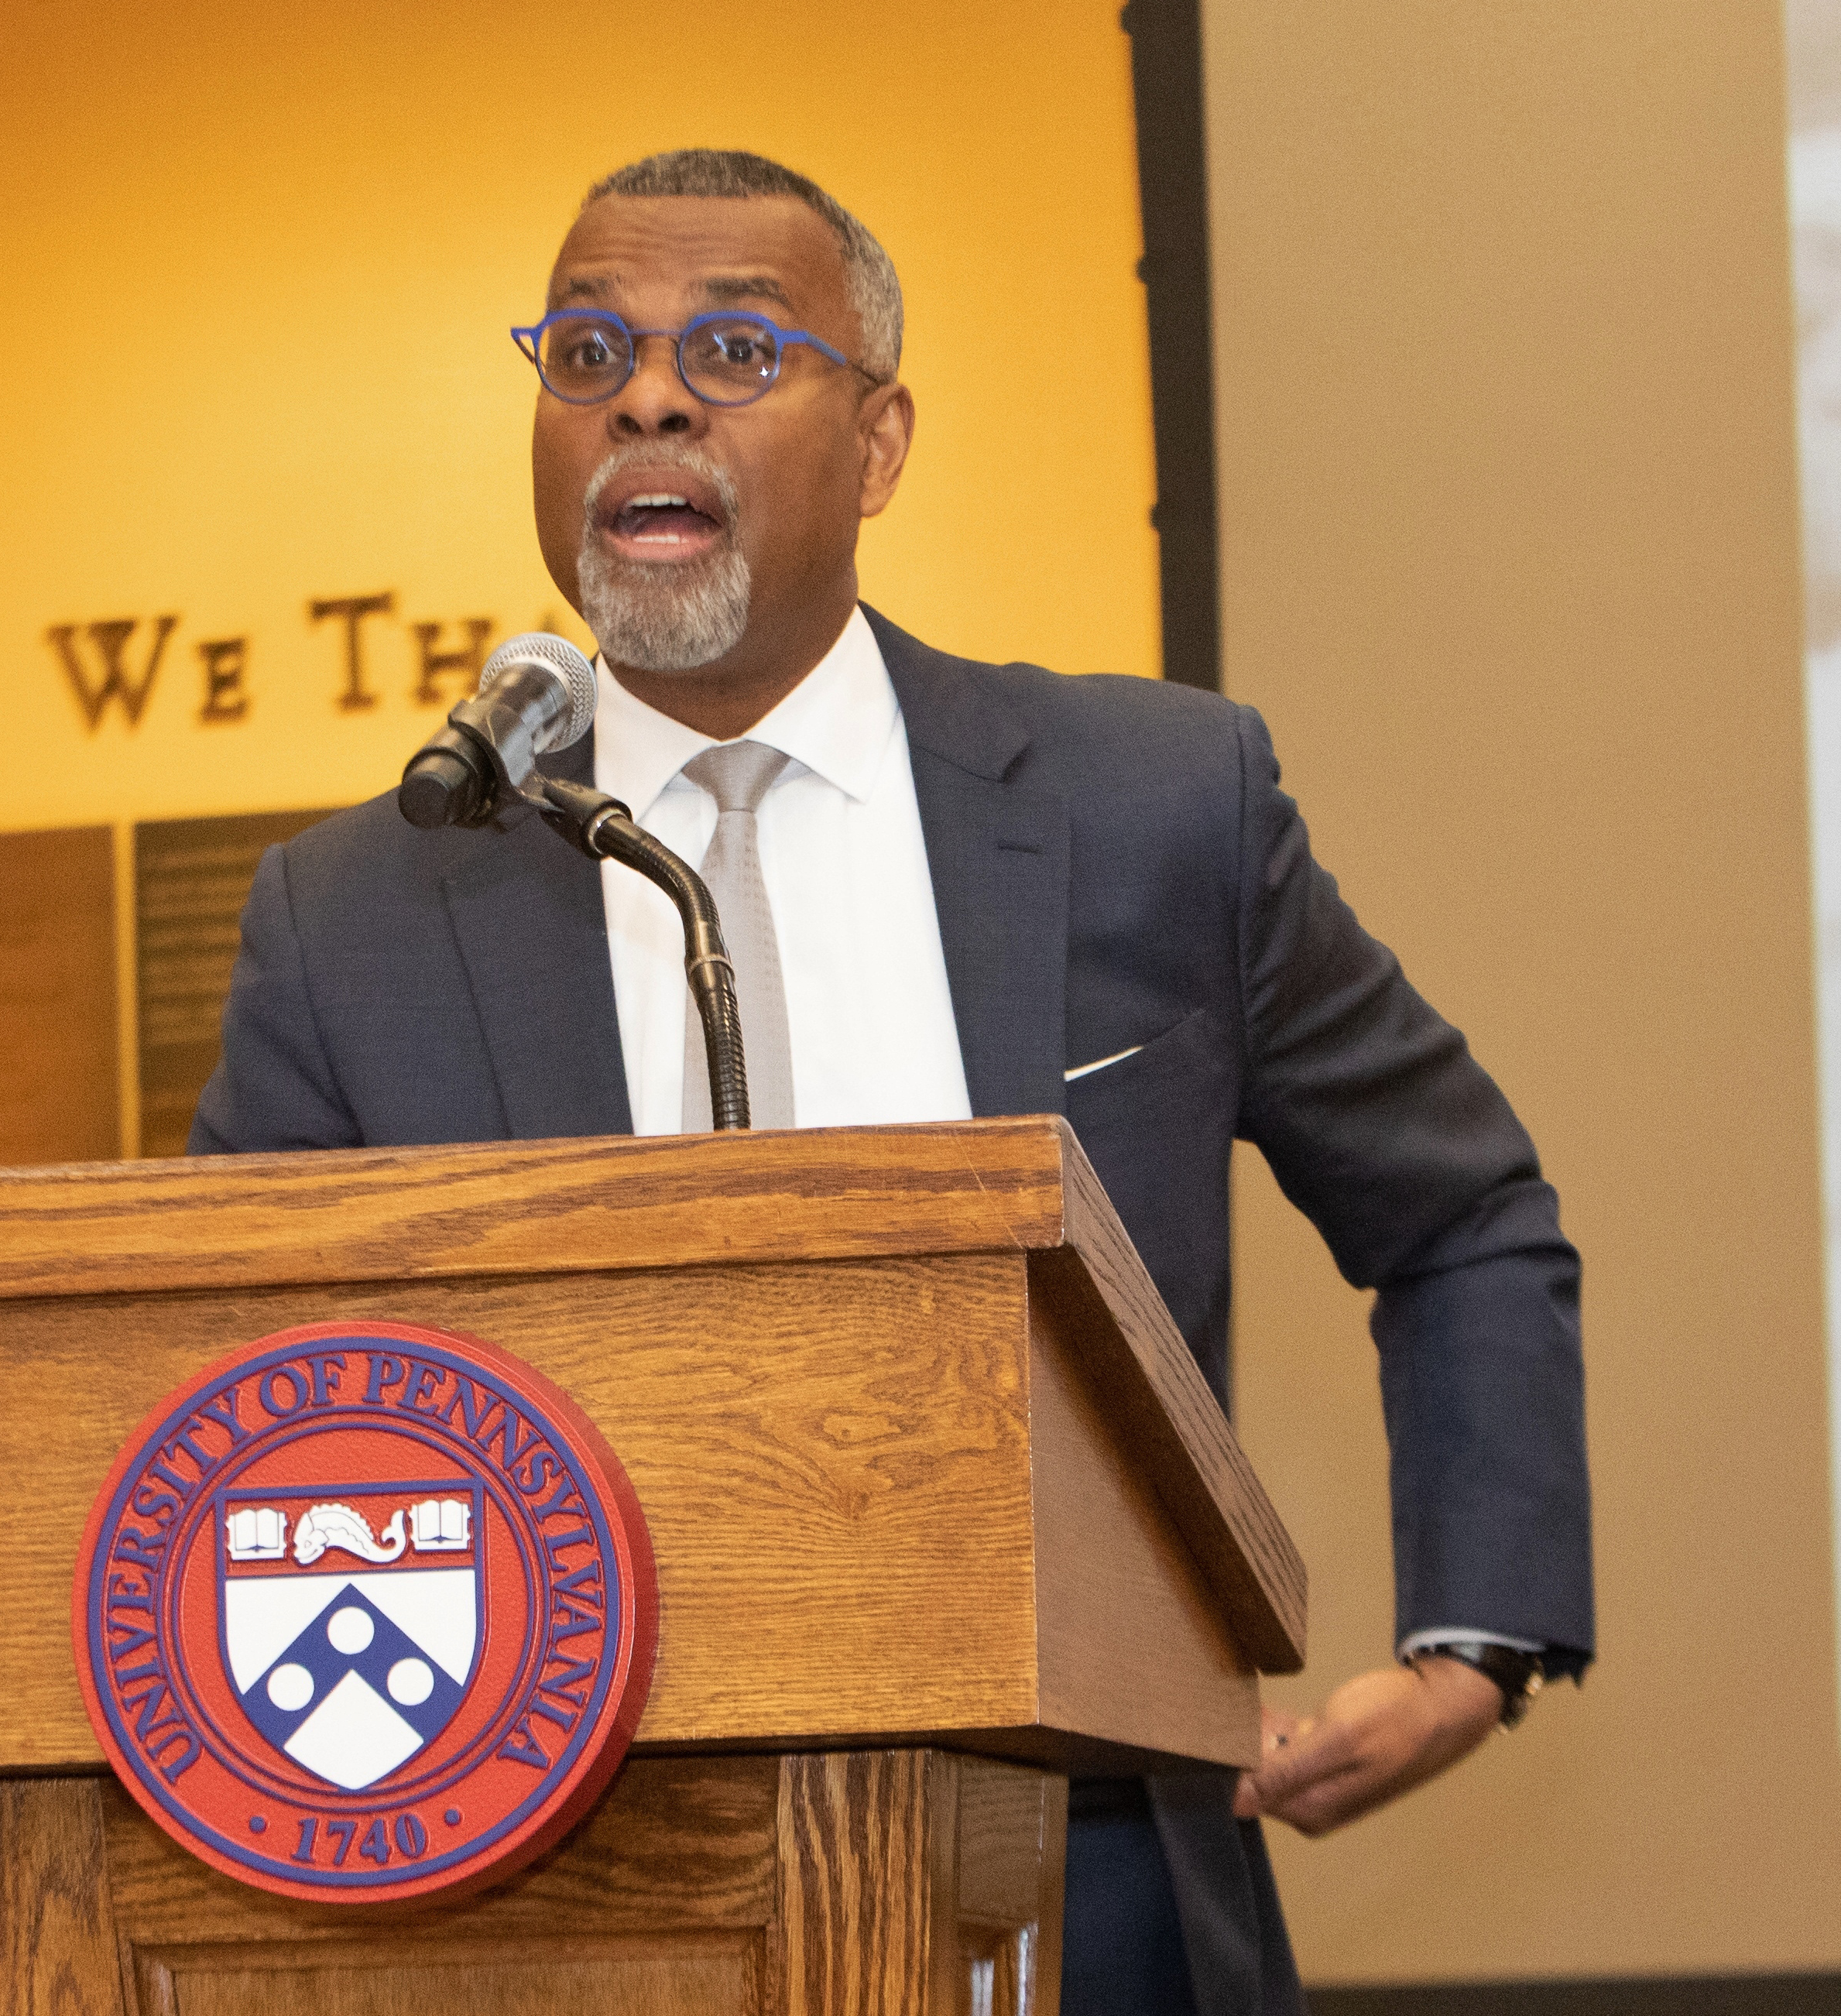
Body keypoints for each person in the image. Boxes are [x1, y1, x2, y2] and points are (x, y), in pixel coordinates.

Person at [191, 149, 1593, 2015]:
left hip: (1089, 1875)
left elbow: (1463, 1211)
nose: (650, 397)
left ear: (881, 441)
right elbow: (223, 1404)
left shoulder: (1152, 802)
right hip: (542, 1901)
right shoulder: (356, 909)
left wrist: (1471, 1639)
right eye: (590, 349)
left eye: (738, 350)